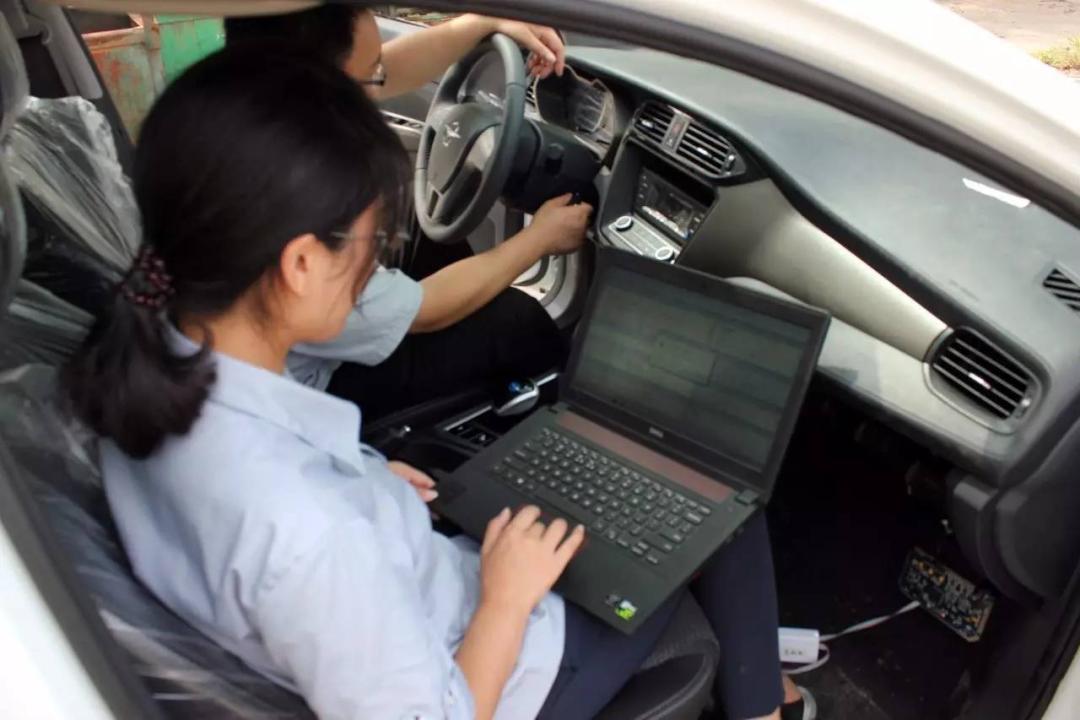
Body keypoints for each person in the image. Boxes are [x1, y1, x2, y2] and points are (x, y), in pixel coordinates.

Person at [64, 46, 810, 720]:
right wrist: (508, 596)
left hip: (407, 586)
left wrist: (367, 486)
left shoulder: (144, 372)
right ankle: (768, 709)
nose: (378, 262)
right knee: (721, 507)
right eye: (374, 241)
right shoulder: (311, 533)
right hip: (517, 664)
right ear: (301, 264)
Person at [227, 8, 585, 421]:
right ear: (320, 87)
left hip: (299, 337)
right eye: (372, 75)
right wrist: (539, 240)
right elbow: (426, 311)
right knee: (518, 320)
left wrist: (483, 22)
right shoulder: (293, 211)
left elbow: (388, 69)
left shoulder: (246, 113)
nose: (381, 81)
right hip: (310, 394)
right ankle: (566, 424)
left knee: (419, 227)